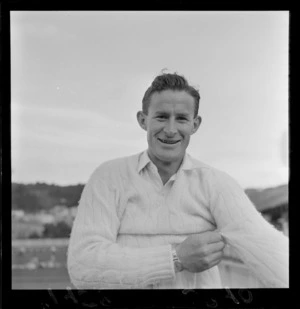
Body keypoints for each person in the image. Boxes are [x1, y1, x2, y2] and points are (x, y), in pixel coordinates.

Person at [67, 72, 289, 289]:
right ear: (143, 120)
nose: (171, 130)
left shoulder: (216, 183)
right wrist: (175, 258)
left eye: (181, 118)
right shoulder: (108, 177)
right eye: (161, 116)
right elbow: (82, 264)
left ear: (195, 124)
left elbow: (270, 251)